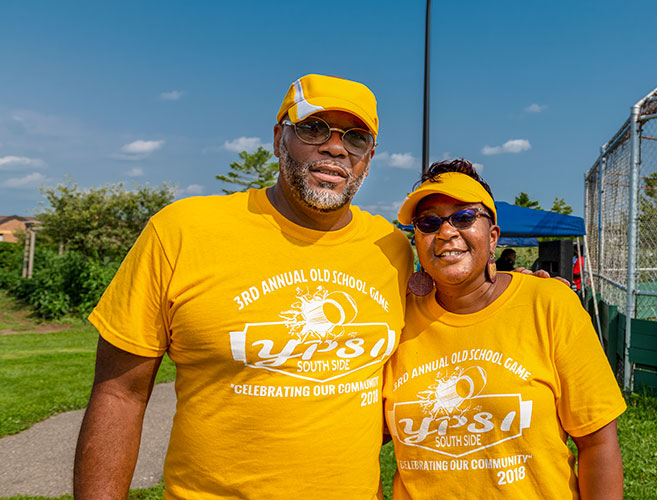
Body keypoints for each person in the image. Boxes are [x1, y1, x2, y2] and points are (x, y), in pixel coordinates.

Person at [74, 74, 414, 499]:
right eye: (313, 128)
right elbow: (119, 394)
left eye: (356, 138)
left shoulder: (392, 249)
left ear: (369, 157)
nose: (335, 146)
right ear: (278, 139)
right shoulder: (183, 231)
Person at [384, 159, 626, 499]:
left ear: (493, 235)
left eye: (464, 217)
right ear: (418, 241)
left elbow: (598, 441)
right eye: (429, 222)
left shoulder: (549, 304)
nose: (446, 231)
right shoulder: (395, 319)